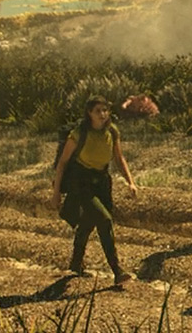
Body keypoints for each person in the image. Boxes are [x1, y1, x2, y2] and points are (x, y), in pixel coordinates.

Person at [51, 97, 138, 283]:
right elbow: (62, 163)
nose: (102, 114)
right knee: (104, 220)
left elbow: (119, 158)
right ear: (89, 113)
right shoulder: (79, 134)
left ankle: (75, 264)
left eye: (105, 110)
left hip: (102, 182)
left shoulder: (112, 131)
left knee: (89, 222)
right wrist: (56, 192)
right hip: (81, 182)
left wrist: (130, 182)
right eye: (98, 110)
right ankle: (117, 270)